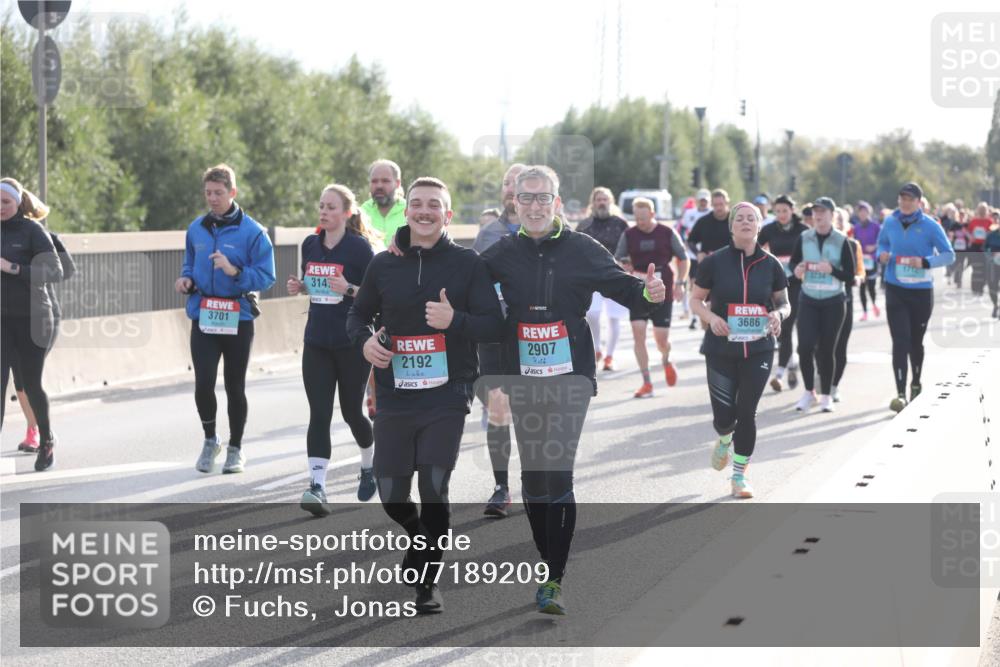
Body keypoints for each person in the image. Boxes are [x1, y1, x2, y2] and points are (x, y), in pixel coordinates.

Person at [481, 165, 666, 615]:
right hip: (523, 378)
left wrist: (650, 292)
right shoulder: (501, 253)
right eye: (527, 197)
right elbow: (460, 284)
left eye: (543, 197)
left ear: (558, 203)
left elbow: (625, 288)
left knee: (557, 473)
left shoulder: (582, 249)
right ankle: (548, 559)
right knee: (533, 478)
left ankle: (553, 578)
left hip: (571, 379)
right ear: (515, 203)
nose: (535, 205)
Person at [347, 177, 504, 614]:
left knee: (434, 485)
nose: (424, 211)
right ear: (407, 210)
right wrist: (364, 342)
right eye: (417, 203)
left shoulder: (468, 264)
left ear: (447, 215)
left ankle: (428, 583)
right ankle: (420, 538)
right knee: (392, 493)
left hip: (447, 392)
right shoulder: (383, 264)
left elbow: (493, 324)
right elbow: (358, 314)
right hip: (395, 393)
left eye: (434, 205)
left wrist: (455, 320)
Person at [176, 164, 276, 474]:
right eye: (208, 193)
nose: (212, 198)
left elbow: (267, 276)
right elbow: (189, 264)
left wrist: (235, 271)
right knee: (204, 384)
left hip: (238, 317)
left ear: (232, 192)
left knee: (235, 386)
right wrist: (186, 280)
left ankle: (236, 448)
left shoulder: (253, 232)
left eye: (218, 193)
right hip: (204, 315)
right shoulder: (196, 229)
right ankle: (210, 440)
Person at [688, 202, 790, 498]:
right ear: (731, 226)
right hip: (720, 349)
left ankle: (739, 476)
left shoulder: (771, 264)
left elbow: (784, 302)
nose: (746, 222)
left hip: (758, 349)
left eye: (751, 218)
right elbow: (695, 300)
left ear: (759, 225)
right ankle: (724, 438)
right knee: (724, 418)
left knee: (747, 412)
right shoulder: (714, 262)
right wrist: (712, 319)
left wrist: (778, 315)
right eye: (740, 218)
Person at [287, 184, 377, 515]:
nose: (324, 212)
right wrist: (301, 286)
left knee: (352, 412)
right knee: (320, 413)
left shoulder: (359, 248)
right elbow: (313, 284)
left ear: (346, 213)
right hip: (317, 341)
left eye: (331, 207)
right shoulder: (310, 244)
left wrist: (349, 288)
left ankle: (368, 464)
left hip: (351, 342)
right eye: (321, 206)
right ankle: (317, 486)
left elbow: (375, 295)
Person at [473, 163, 526, 519]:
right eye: (507, 182)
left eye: (518, 182)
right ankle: (501, 486)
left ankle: (538, 481)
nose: (510, 188)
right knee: (497, 409)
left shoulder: (555, 231)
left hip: (535, 336)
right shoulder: (488, 234)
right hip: (495, 334)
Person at [1, 178, 64, 471]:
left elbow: (55, 271)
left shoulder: (32, 231)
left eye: (5, 202)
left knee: (31, 385)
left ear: (17, 203)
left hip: (33, 319)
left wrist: (12, 268)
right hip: (2, 320)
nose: (0, 207)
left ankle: (46, 439)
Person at [877, 182, 954, 412]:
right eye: (902, 198)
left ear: (919, 202)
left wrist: (925, 262)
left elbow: (949, 255)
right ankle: (900, 394)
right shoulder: (890, 221)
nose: (905, 202)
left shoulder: (930, 225)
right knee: (900, 341)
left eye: (910, 199)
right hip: (895, 288)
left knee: (915, 342)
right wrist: (882, 254)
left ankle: (916, 384)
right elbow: (882, 243)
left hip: (921, 292)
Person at [11, 212, 75, 453]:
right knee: (18, 378)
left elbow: (66, 270)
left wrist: (26, 269)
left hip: (42, 314)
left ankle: (38, 431)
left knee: (26, 376)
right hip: (10, 315)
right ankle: (35, 429)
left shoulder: (43, 235)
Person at [614, 197, 689, 397]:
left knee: (661, 340)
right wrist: (624, 266)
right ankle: (647, 382)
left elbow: (683, 258)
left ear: (653, 214)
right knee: (638, 333)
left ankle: (666, 359)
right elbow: (618, 259)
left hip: (663, 289)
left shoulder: (667, 232)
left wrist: (680, 283)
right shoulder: (629, 234)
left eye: (644, 218)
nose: (640, 222)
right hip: (638, 289)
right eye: (637, 218)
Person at [788, 197, 855, 413]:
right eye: (815, 212)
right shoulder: (804, 237)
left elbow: (850, 275)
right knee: (805, 347)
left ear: (832, 215)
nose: (818, 215)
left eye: (822, 212)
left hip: (833, 301)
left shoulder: (841, 240)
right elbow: (793, 263)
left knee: (827, 350)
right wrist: (797, 270)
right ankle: (809, 392)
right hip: (808, 299)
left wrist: (832, 270)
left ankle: (826, 395)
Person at [361, 159, 408, 419]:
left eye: (385, 181)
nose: (379, 186)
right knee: (372, 347)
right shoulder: (358, 212)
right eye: (374, 181)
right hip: (367, 294)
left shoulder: (411, 211)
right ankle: (376, 398)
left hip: (403, 295)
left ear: (397, 184)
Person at [758, 194, 807, 392]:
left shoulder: (803, 230)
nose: (781, 215)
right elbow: (754, 249)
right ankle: (787, 367)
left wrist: (803, 266)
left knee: (795, 329)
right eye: (777, 211)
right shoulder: (768, 229)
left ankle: (786, 368)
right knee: (782, 329)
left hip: (798, 285)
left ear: (792, 210)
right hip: (777, 284)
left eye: (785, 210)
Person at [577, 187, 630, 370]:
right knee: (592, 314)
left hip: (616, 275)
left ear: (611, 202)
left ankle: (610, 356)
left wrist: (627, 263)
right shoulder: (584, 225)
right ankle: (597, 348)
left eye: (605, 199)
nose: (602, 202)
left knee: (614, 318)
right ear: (593, 203)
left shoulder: (621, 224)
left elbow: (631, 246)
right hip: (591, 277)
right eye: (598, 199)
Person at [831, 207, 866, 402]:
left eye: (838, 221)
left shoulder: (853, 245)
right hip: (820, 301)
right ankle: (823, 376)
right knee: (820, 346)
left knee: (840, 345)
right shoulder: (817, 245)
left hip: (845, 300)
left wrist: (858, 278)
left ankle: (834, 385)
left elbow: (860, 271)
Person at [678, 189, 712, 321]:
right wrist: (684, 242)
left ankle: (706, 311)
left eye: (705, 201)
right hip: (693, 255)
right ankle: (694, 316)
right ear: (697, 201)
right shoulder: (690, 213)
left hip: (709, 255)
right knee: (694, 284)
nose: (703, 203)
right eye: (701, 200)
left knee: (709, 285)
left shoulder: (712, 213)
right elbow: (682, 229)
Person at [853, 202, 882, 320]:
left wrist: (874, 246)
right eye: (860, 211)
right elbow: (854, 242)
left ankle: (874, 304)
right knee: (861, 287)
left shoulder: (875, 226)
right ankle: (865, 312)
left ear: (869, 212)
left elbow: (882, 241)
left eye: (865, 211)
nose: (863, 214)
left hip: (872, 260)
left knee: (871, 286)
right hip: (860, 261)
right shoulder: (856, 227)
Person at [967, 202, 993, 296]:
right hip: (975, 246)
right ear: (978, 210)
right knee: (976, 267)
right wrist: (970, 237)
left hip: (985, 247)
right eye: (981, 209)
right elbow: (968, 232)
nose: (982, 211)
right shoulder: (973, 221)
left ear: (986, 211)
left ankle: (981, 288)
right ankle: (975, 288)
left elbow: (993, 233)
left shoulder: (989, 221)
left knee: (984, 268)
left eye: (984, 209)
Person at [986, 215, 1000, 319]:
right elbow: (985, 248)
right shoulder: (991, 235)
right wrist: (991, 255)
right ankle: (995, 305)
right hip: (993, 264)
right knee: (992, 286)